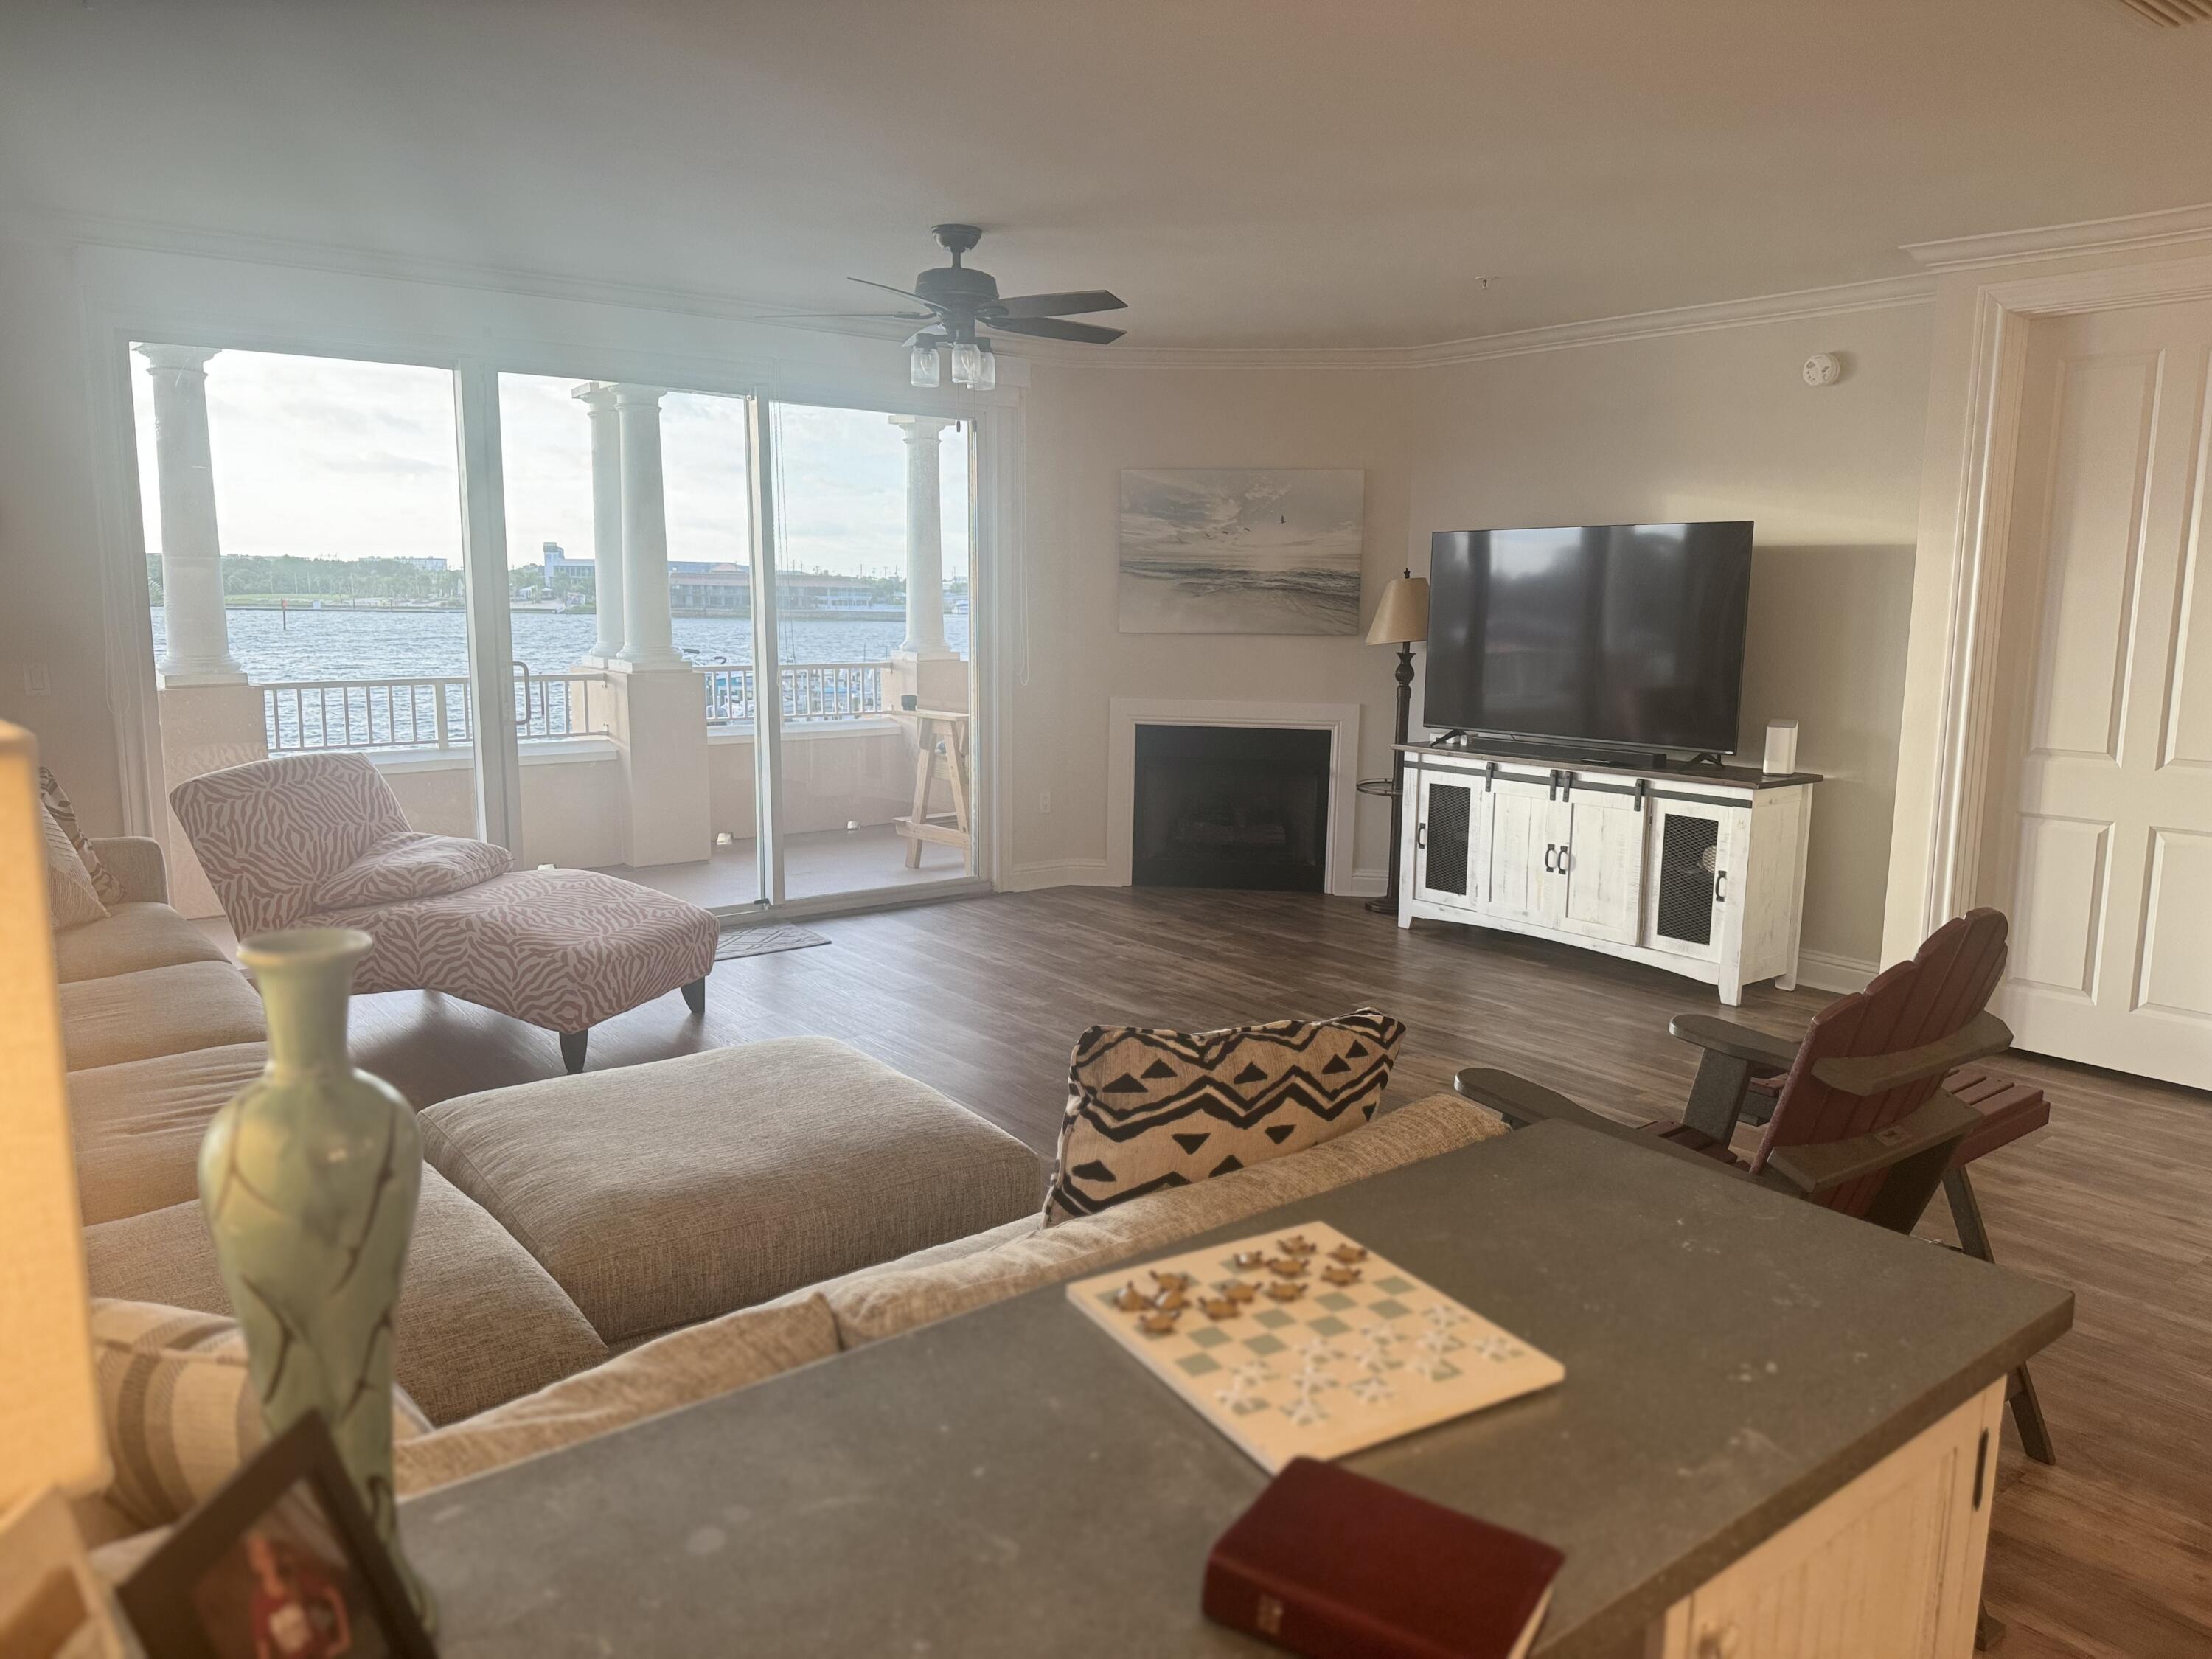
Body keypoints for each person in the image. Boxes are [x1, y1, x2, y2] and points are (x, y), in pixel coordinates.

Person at [243, 1531, 352, 1659]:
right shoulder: (258, 1603)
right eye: (260, 1555)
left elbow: (333, 1594)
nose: (266, 1558)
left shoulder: (295, 1578)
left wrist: (345, 1639)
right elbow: (263, 1651)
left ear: (275, 1553)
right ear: (254, 1564)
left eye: (268, 1552)